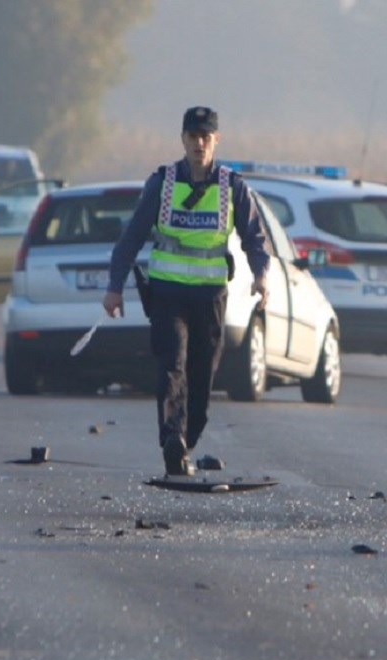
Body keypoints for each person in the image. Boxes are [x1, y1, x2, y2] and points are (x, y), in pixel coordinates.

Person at [102, 106, 270, 476]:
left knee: (202, 374)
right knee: (171, 364)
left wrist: (261, 275)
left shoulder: (232, 187)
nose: (199, 144)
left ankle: (186, 442)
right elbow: (130, 238)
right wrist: (114, 288)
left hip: (210, 296)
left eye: (205, 137)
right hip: (167, 293)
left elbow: (255, 238)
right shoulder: (162, 184)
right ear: (182, 139)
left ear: (216, 141)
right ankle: (171, 437)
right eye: (193, 137)